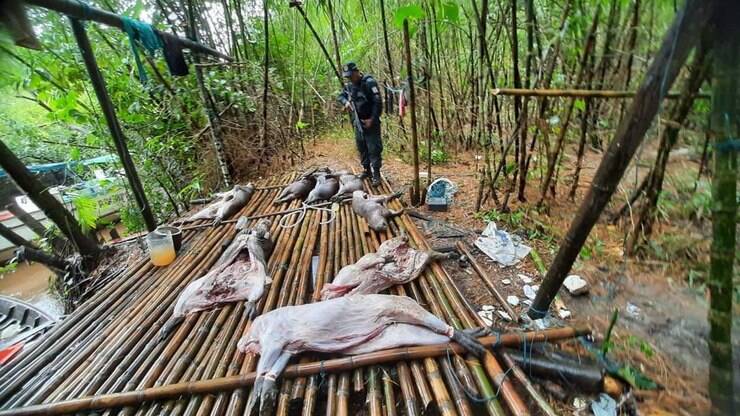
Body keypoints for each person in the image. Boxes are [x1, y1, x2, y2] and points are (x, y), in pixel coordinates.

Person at [337, 62, 384, 187]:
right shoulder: (350, 86)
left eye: (351, 75)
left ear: (357, 72)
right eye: (348, 77)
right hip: (358, 122)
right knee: (362, 146)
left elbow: (377, 103)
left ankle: (376, 174)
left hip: (371, 121)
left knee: (374, 148)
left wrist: (372, 119)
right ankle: (367, 170)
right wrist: (346, 102)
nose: (350, 78)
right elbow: (340, 96)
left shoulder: (369, 83)